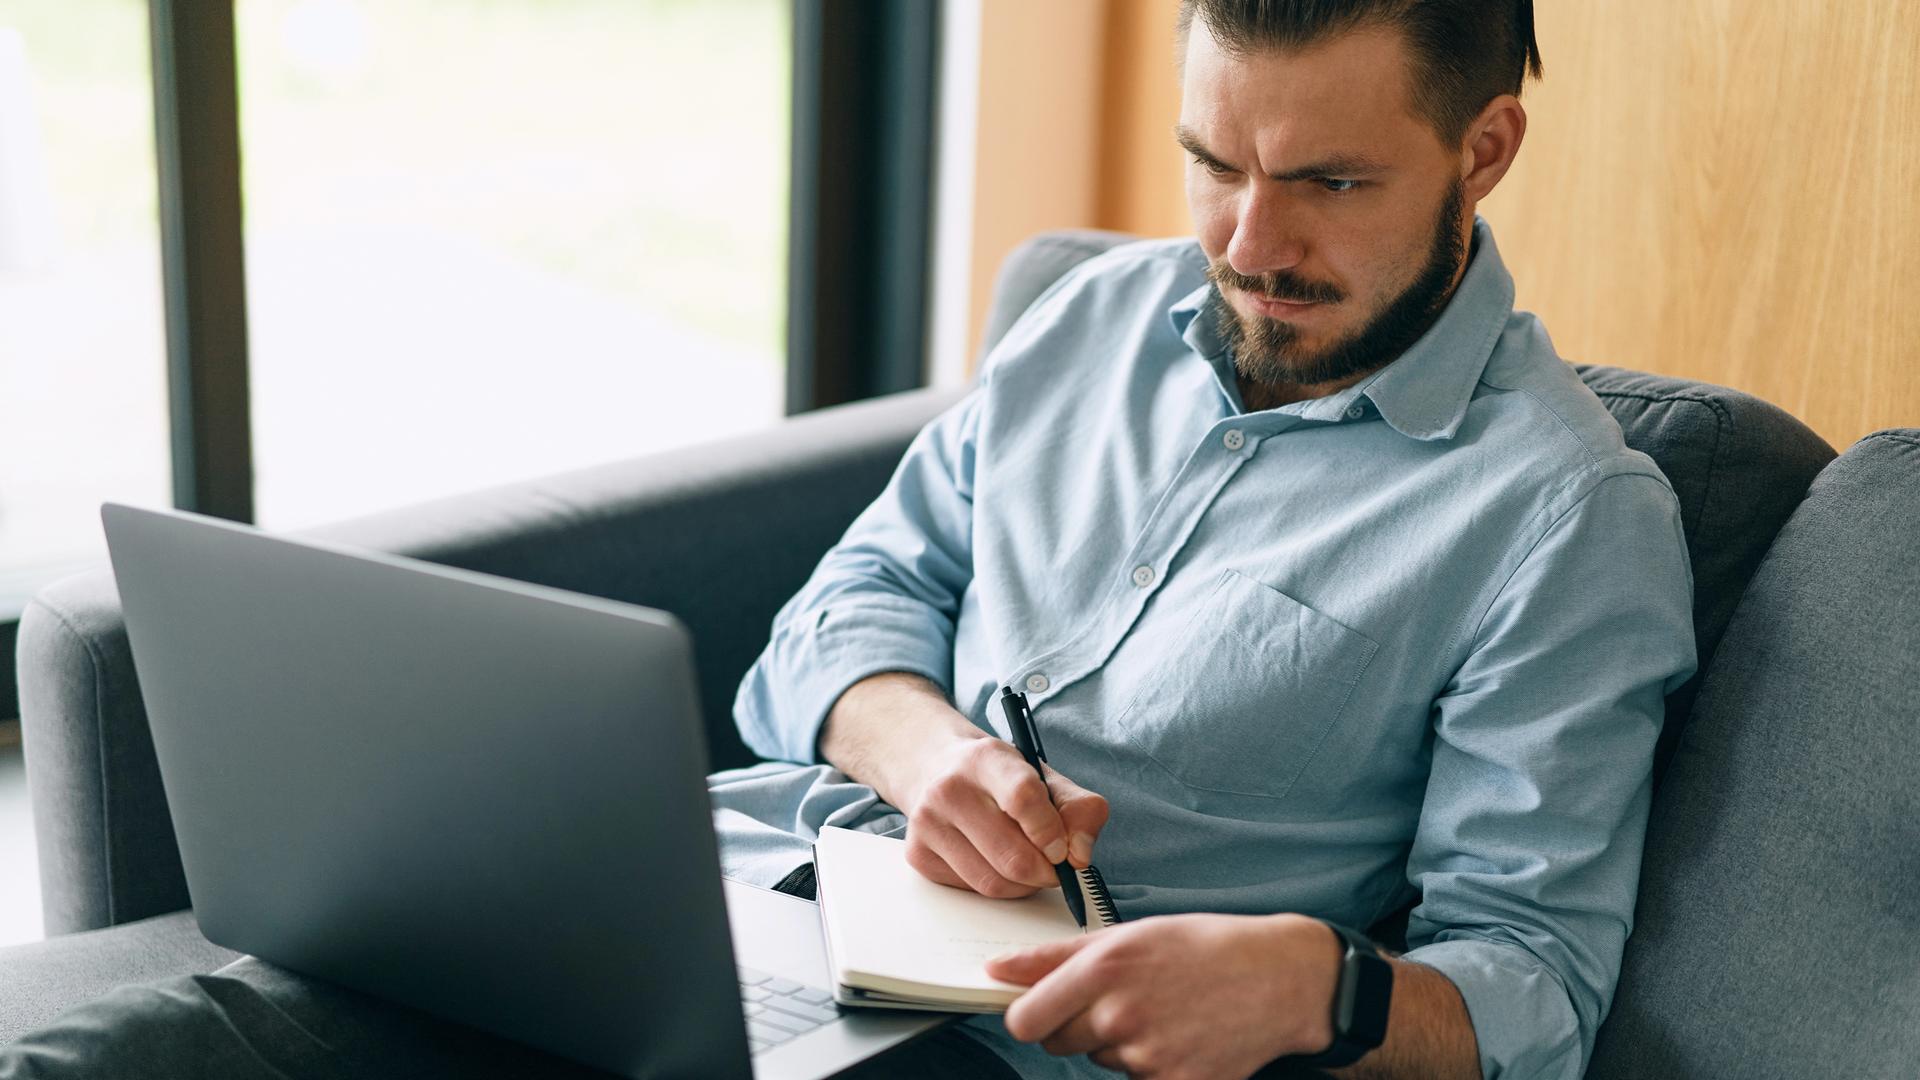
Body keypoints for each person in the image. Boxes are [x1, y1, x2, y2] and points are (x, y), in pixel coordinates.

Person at [0, 2, 1694, 1078]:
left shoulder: (1562, 520)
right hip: (738, 908)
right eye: (1211, 165)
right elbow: (846, 607)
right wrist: (925, 742)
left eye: (1328, 183)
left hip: (1013, 1053)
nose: (1247, 245)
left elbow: (1536, 986)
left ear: (1486, 147)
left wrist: (1317, 991)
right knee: (136, 1050)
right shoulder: (1099, 316)